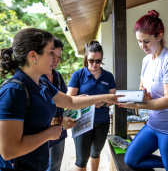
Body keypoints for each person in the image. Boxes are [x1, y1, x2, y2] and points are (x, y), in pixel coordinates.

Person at [0, 28, 122, 171]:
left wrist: (106, 97)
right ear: (33, 56)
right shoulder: (13, 91)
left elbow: (70, 102)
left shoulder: (43, 84)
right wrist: (49, 133)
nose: (54, 59)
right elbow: (9, 151)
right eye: (50, 53)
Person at [118, 10, 168, 170]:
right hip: (152, 124)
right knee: (131, 159)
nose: (142, 46)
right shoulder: (146, 60)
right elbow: (143, 90)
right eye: (139, 41)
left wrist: (139, 106)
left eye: (146, 41)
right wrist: (136, 97)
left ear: (160, 36)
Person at [67, 41, 116, 171]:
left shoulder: (108, 76)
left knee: (95, 153)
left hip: (102, 122)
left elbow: (113, 99)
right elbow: (69, 99)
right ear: (86, 58)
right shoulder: (78, 75)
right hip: (82, 122)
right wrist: (90, 100)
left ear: (102, 59)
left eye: (98, 61)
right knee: (81, 160)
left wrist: (104, 102)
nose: (94, 64)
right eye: (91, 61)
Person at [41, 37, 67, 171]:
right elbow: (38, 117)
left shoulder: (58, 76)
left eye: (59, 57)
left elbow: (67, 101)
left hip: (59, 135)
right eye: (53, 56)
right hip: (43, 136)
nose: (56, 61)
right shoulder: (37, 79)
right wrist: (61, 121)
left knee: (56, 168)